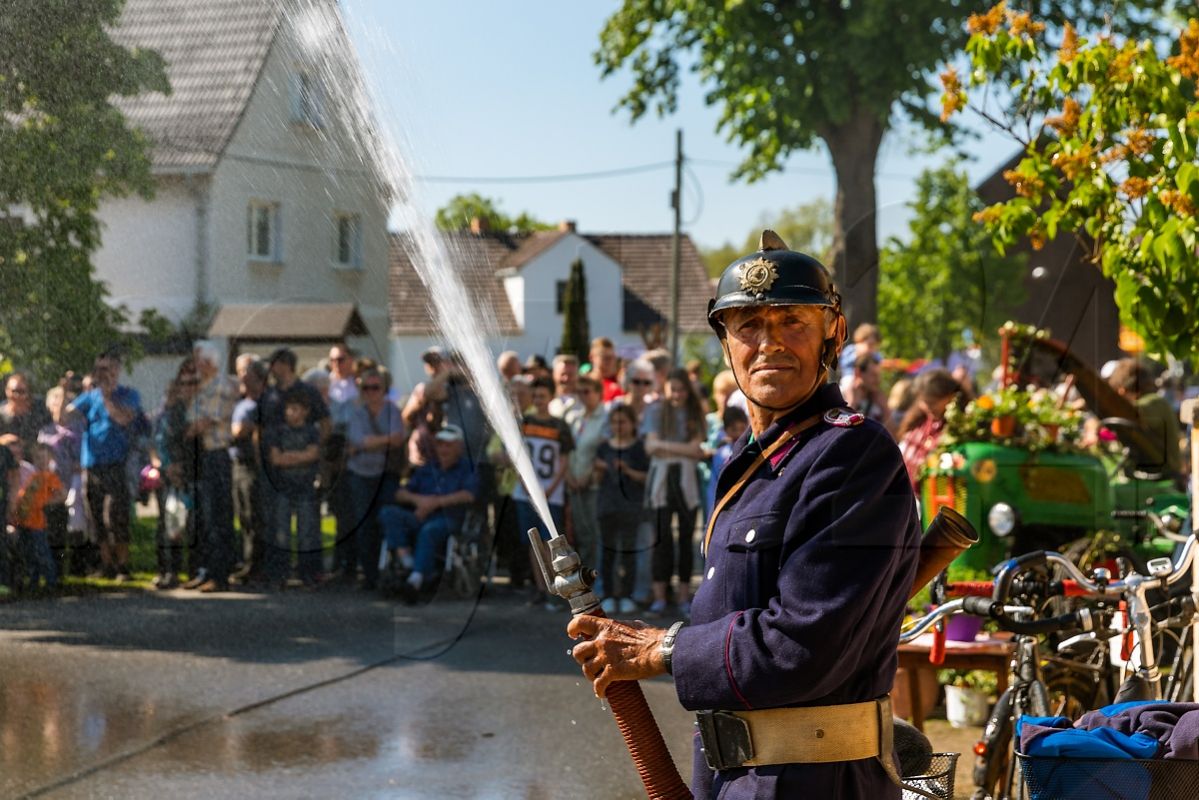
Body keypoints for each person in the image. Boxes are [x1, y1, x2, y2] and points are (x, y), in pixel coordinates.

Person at [567, 230, 921, 800]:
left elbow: (801, 645)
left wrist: (661, 649)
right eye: (749, 325)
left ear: (835, 333)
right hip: (735, 779)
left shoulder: (853, 454)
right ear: (724, 342)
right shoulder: (754, 462)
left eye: (791, 322)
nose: (769, 343)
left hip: (816, 783)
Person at [377, 423, 478, 600]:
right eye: (440, 444)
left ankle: (416, 580)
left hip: (448, 519)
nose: (443, 449)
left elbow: (469, 495)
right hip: (419, 515)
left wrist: (435, 503)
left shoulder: (467, 468)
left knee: (429, 531)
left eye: (448, 445)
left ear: (459, 447)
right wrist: (420, 501)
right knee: (388, 513)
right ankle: (407, 562)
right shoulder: (427, 468)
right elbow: (401, 493)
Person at [69, 353, 144, 580]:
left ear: (118, 370)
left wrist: (107, 396)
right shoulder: (89, 396)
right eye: (100, 369)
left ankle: (122, 566)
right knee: (96, 518)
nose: (104, 374)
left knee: (116, 515)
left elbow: (123, 419)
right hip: (91, 466)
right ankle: (107, 565)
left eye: (109, 369)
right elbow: (64, 415)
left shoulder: (128, 394)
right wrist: (66, 389)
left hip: (115, 465)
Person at [643, 367, 707, 617]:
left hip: (686, 479)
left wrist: (665, 447)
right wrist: (683, 449)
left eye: (682, 390)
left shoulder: (694, 412)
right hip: (663, 478)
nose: (678, 395)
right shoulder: (656, 410)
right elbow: (650, 446)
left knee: (686, 537)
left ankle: (683, 596)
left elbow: (697, 450)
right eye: (674, 390)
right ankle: (660, 596)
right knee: (662, 538)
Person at [512, 376, 573, 608]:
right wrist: (528, 487)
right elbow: (518, 456)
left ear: (550, 397)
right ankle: (540, 587)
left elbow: (564, 460)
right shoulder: (524, 422)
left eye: (542, 396)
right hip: (526, 494)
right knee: (532, 543)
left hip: (551, 494)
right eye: (535, 396)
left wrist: (551, 488)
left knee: (551, 544)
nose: (538, 400)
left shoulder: (559, 425)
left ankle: (556, 590)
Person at [344, 367, 405, 591]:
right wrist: (384, 440)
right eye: (366, 388)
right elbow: (360, 441)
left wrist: (372, 442)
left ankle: (390, 569)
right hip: (360, 476)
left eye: (375, 388)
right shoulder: (357, 413)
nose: (371, 392)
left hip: (386, 475)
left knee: (387, 520)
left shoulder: (393, 411)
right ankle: (369, 575)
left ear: (384, 389)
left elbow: (398, 440)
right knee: (364, 526)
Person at [185, 341, 239, 593]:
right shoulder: (203, 386)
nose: (194, 364)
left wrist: (188, 428)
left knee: (218, 516)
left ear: (207, 362)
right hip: (204, 454)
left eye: (197, 359)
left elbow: (202, 422)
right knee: (205, 517)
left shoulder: (219, 386)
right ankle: (207, 570)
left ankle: (220, 575)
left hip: (217, 455)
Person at [593, 403, 649, 615]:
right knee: (607, 553)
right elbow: (596, 477)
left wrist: (627, 470)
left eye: (623, 421)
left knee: (628, 552)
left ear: (633, 424)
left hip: (630, 506)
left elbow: (645, 477)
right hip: (607, 505)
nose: (618, 426)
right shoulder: (604, 447)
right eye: (615, 422)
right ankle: (607, 594)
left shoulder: (638, 448)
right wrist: (600, 468)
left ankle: (627, 595)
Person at [266, 388, 323, 589]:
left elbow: (314, 454)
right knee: (281, 532)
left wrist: (289, 457)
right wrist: (300, 456)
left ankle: (307, 573)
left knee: (306, 531)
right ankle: (280, 573)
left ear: (305, 411)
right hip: (283, 487)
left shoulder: (312, 431)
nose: (291, 413)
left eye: (295, 409)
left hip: (305, 487)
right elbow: (275, 458)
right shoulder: (278, 431)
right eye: (289, 409)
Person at [1107, 358, 1183, 478]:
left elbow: (1132, 413)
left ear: (1122, 390)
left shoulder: (1155, 402)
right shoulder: (1154, 402)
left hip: (1166, 476)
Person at [230, 360, 269, 584]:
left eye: (246, 373)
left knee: (254, 517)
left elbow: (240, 431)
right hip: (236, 463)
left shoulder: (262, 403)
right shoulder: (242, 402)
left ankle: (255, 566)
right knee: (243, 516)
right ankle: (246, 562)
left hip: (251, 465)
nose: (241, 377)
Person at [565, 374, 608, 577]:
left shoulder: (606, 417)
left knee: (595, 534)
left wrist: (587, 476)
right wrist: (570, 478)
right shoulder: (573, 416)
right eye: (579, 392)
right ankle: (584, 577)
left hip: (593, 486)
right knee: (580, 534)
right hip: (573, 483)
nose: (582, 396)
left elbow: (602, 451)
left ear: (598, 393)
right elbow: (567, 450)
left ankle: (596, 577)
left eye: (587, 392)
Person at [38, 386, 82, 579]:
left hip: (72, 484)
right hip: (50, 488)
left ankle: (75, 568)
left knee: (73, 526)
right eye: (56, 402)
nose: (60, 406)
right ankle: (53, 571)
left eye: (64, 402)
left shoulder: (77, 429)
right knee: (52, 528)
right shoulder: (44, 431)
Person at [896, 369, 962, 490]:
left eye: (932, 403)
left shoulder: (959, 429)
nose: (927, 407)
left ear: (950, 396)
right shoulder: (916, 422)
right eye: (924, 402)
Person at [13, 442, 66, 591]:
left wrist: (45, 503)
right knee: (30, 554)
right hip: (25, 521)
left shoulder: (51, 477)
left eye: (44, 458)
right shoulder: (33, 476)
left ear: (50, 459)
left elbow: (62, 495)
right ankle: (33, 581)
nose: (40, 461)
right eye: (37, 458)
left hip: (38, 523)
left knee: (42, 552)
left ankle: (51, 581)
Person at [1, 372, 51, 459]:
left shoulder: (38, 411)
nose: (17, 396)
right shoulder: (1, 414)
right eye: (14, 391)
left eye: (21, 392)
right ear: (7, 391)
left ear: (28, 393)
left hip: (34, 457)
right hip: (7, 459)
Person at [844, 354, 890, 425]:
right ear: (858, 373)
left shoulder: (878, 399)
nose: (878, 380)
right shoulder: (842, 395)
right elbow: (840, 430)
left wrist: (885, 410)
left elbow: (892, 434)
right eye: (873, 375)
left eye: (879, 375)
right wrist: (852, 403)